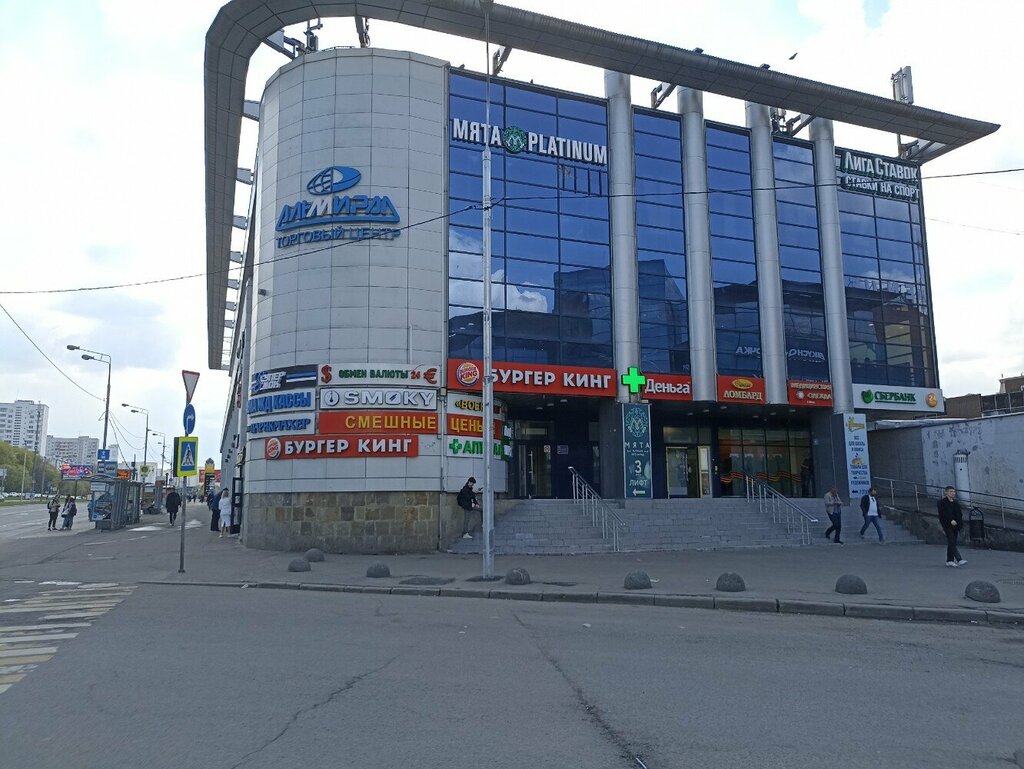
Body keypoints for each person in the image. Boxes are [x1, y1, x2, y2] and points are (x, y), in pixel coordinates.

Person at [938, 486, 967, 567]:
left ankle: (949, 560)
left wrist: (959, 524)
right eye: (951, 491)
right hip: (947, 525)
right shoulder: (942, 502)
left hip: (956, 526)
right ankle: (959, 559)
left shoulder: (956, 503)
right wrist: (950, 520)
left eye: (954, 491)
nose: (953, 493)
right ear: (946, 492)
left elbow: (959, 514)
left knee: (952, 542)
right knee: (952, 541)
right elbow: (942, 514)